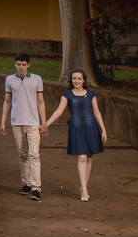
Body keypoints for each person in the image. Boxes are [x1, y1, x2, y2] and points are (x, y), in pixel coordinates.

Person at [43, 69, 108, 201]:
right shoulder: (67, 94)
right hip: (76, 127)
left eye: (79, 78)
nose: (76, 81)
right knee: (82, 157)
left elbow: (97, 112)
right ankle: (84, 189)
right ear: (71, 80)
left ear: (84, 80)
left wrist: (103, 129)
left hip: (90, 126)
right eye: (74, 78)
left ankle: (84, 186)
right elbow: (59, 111)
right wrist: (46, 124)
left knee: (89, 157)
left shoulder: (91, 93)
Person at [1, 53, 47, 201]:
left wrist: (44, 122)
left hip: (33, 122)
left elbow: (40, 101)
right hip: (16, 121)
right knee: (22, 154)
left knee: (34, 154)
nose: (21, 67)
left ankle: (36, 187)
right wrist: (3, 121)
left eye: (23, 65)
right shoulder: (10, 80)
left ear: (28, 65)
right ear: (15, 64)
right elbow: (7, 101)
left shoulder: (36, 79)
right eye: (18, 64)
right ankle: (26, 183)